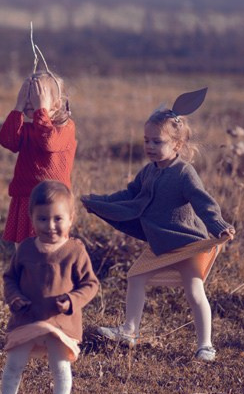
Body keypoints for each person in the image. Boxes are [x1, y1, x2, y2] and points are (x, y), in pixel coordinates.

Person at [81, 88, 235, 362]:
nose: (150, 147)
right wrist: (99, 201)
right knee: (136, 277)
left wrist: (218, 225)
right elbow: (129, 195)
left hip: (188, 243)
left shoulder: (183, 173)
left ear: (176, 145)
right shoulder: (149, 171)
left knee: (194, 290)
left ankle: (205, 345)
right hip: (160, 243)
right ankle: (130, 331)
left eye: (157, 142)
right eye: (146, 140)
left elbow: (203, 202)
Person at [0, 180, 99, 394]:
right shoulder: (25, 249)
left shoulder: (75, 251)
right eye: (42, 219)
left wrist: (72, 300)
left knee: (60, 366)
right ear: (32, 218)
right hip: (28, 318)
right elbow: (10, 278)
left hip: (60, 323)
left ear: (71, 219)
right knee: (14, 363)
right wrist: (15, 297)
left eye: (57, 219)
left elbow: (90, 284)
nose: (50, 226)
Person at [0, 70, 76, 243]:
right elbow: (7, 141)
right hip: (26, 196)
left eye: (35, 103)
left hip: (52, 199)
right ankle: (25, 270)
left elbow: (49, 143)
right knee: (25, 246)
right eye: (27, 103)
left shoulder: (66, 128)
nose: (30, 107)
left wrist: (41, 111)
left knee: (50, 245)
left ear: (55, 104)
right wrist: (18, 108)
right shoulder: (29, 128)